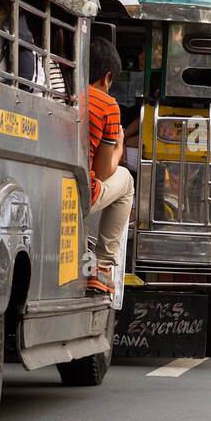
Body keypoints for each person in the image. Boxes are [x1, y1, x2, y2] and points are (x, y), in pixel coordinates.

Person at [86, 36, 134, 296]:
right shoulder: (107, 105)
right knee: (126, 181)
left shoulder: (63, 89)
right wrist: (119, 146)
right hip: (80, 193)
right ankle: (102, 267)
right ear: (106, 78)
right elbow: (104, 173)